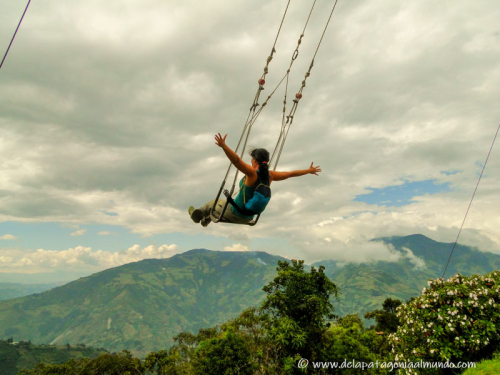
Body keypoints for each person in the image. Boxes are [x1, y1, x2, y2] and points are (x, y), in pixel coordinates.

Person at [189, 133, 321, 226]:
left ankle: (197, 214)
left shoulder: (252, 174)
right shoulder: (270, 175)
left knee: (213, 203)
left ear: (254, 160)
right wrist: (309, 171)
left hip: (235, 213)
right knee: (220, 205)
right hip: (248, 217)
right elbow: (290, 174)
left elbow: (236, 161)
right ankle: (206, 219)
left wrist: (224, 146)